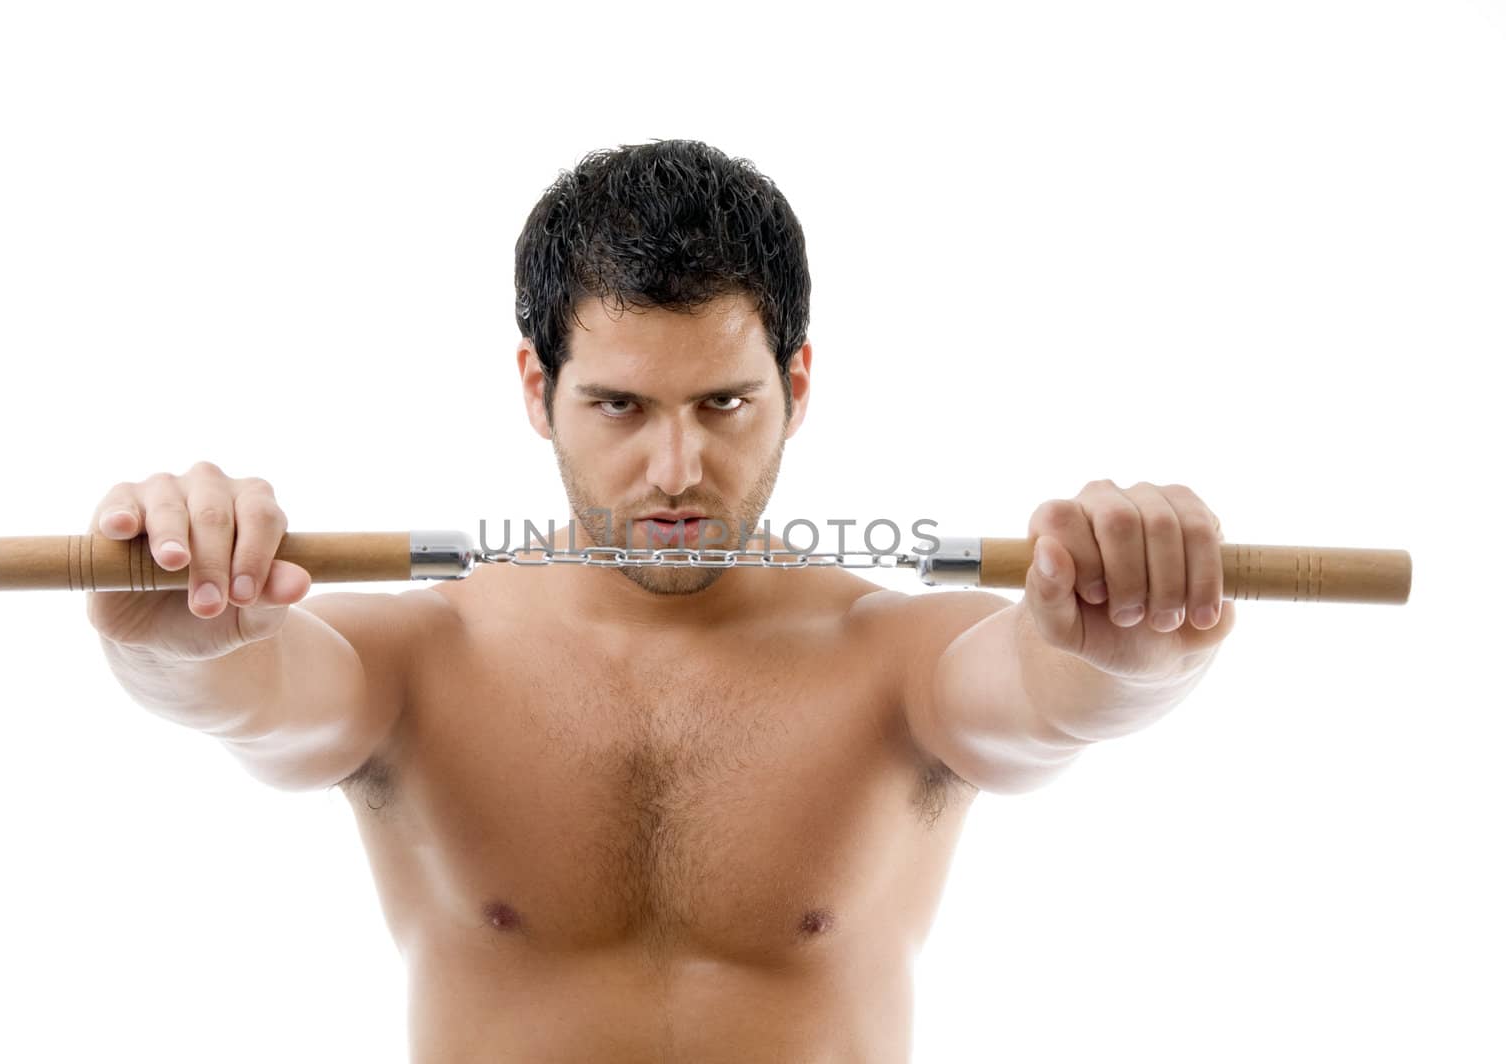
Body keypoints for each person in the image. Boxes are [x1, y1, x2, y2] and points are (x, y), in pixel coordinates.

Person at [87, 138, 1238, 1062]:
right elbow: (252, 690)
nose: (677, 467)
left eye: (725, 403)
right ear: (540, 390)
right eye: (623, 405)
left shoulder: (900, 660)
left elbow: (1055, 692)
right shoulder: (420, 658)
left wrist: (1141, 648)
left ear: (795, 384)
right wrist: (173, 643)